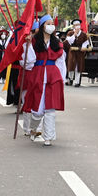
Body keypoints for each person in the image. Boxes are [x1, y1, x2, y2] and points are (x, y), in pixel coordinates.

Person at [22, 15, 66, 147]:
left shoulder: (57, 43)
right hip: (38, 75)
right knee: (37, 111)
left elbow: (61, 63)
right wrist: (27, 45)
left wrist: (61, 80)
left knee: (50, 110)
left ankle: (49, 137)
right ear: (42, 26)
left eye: (52, 23)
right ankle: (34, 128)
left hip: (53, 76)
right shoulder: (34, 42)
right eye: (48, 23)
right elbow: (28, 61)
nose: (51, 26)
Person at [65, 19, 90, 87]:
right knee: (71, 67)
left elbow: (85, 43)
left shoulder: (83, 34)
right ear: (73, 26)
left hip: (80, 52)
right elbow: (69, 42)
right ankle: (70, 78)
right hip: (72, 52)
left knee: (78, 67)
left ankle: (77, 81)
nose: (77, 27)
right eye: (76, 25)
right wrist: (74, 35)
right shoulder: (70, 33)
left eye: (78, 25)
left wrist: (83, 48)